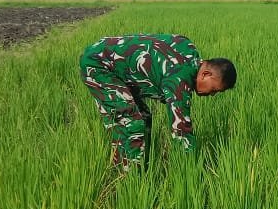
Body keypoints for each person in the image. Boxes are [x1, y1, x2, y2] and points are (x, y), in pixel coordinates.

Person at [79, 34, 236, 170]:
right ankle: (131, 180)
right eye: (214, 89)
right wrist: (193, 171)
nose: (213, 94)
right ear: (206, 74)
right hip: (98, 65)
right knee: (132, 124)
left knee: (144, 117)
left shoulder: (189, 49)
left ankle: (134, 166)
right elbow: (181, 131)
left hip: (108, 57)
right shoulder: (180, 79)